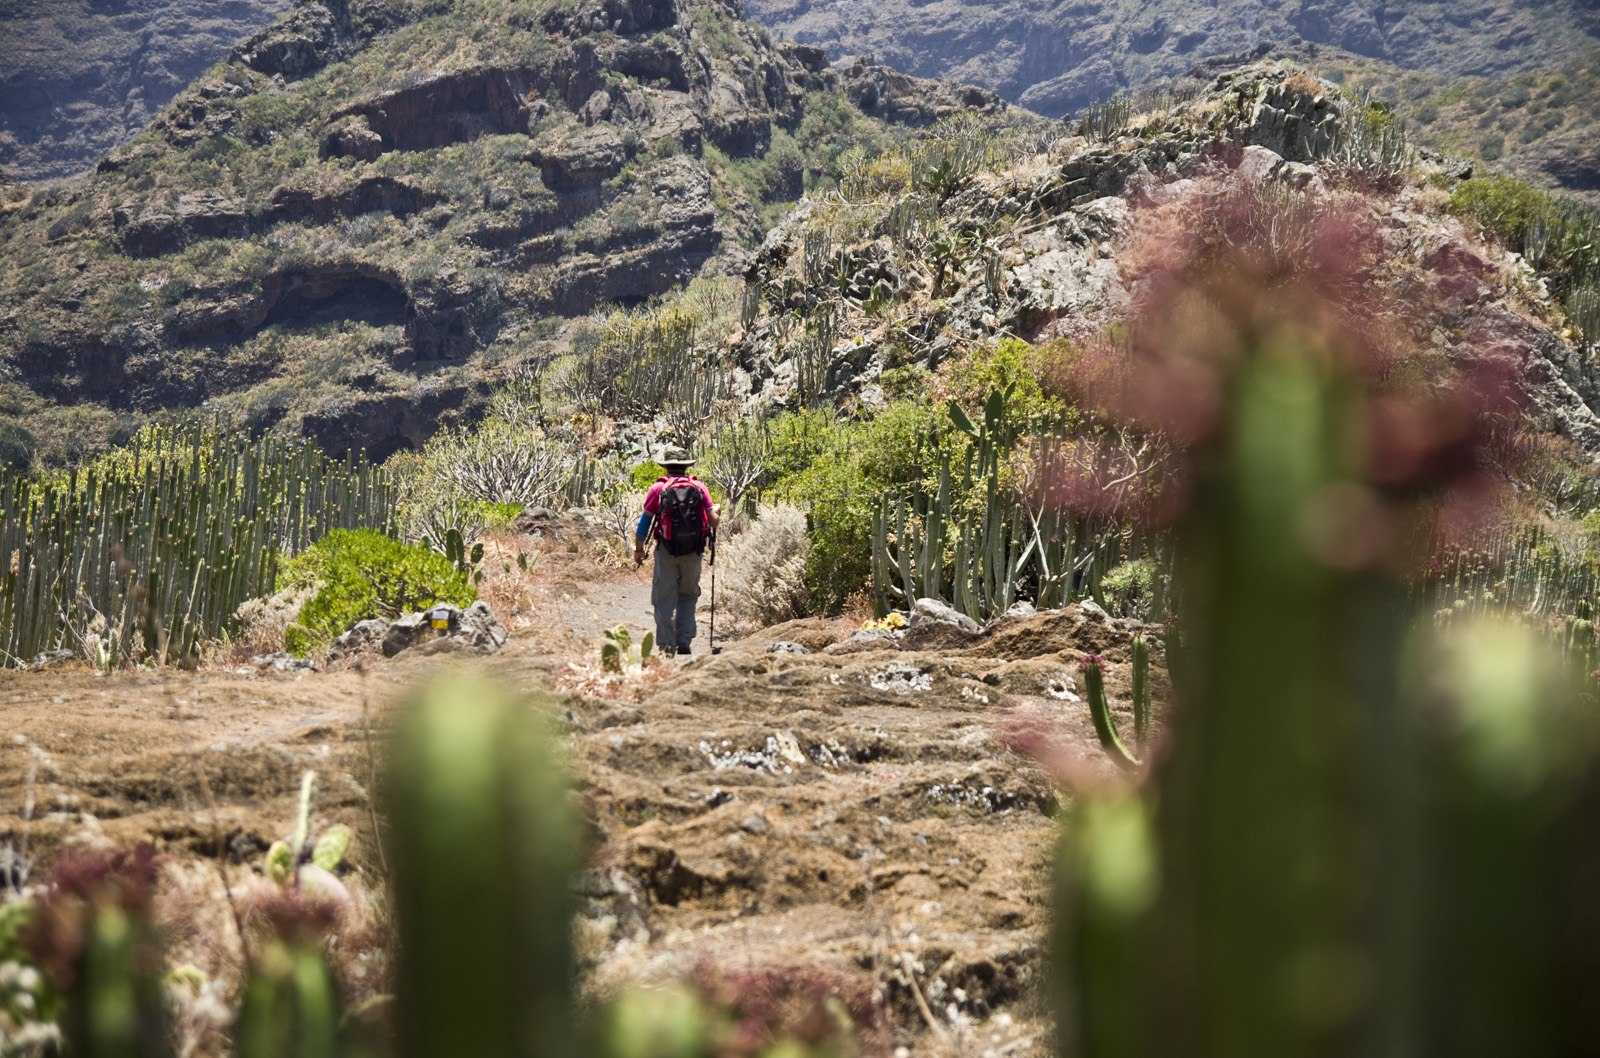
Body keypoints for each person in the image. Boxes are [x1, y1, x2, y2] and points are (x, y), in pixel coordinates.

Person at [634, 446, 720, 656]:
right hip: (693, 549)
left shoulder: (658, 489)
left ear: (667, 467)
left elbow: (644, 523)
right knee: (688, 594)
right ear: (685, 466)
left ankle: (665, 644)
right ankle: (684, 640)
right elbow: (713, 521)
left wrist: (638, 549)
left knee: (663, 596)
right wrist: (717, 511)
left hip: (666, 549)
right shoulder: (699, 487)